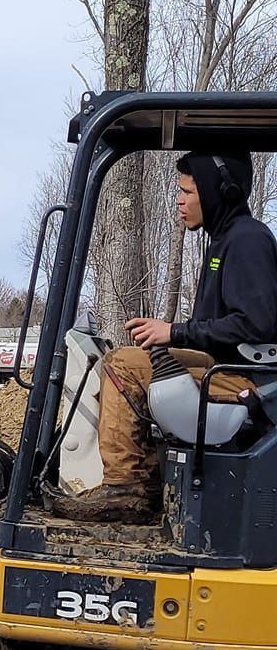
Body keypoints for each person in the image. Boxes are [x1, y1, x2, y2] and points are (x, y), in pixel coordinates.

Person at [49, 151, 277, 522]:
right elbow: (224, 328)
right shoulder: (224, 240)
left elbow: (256, 325)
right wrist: (170, 338)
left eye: (188, 191)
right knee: (127, 360)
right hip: (227, 366)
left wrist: (174, 331)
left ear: (222, 192)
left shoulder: (247, 240)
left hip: (245, 380)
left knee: (123, 366)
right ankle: (146, 479)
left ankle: (126, 488)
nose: (179, 200)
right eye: (179, 190)